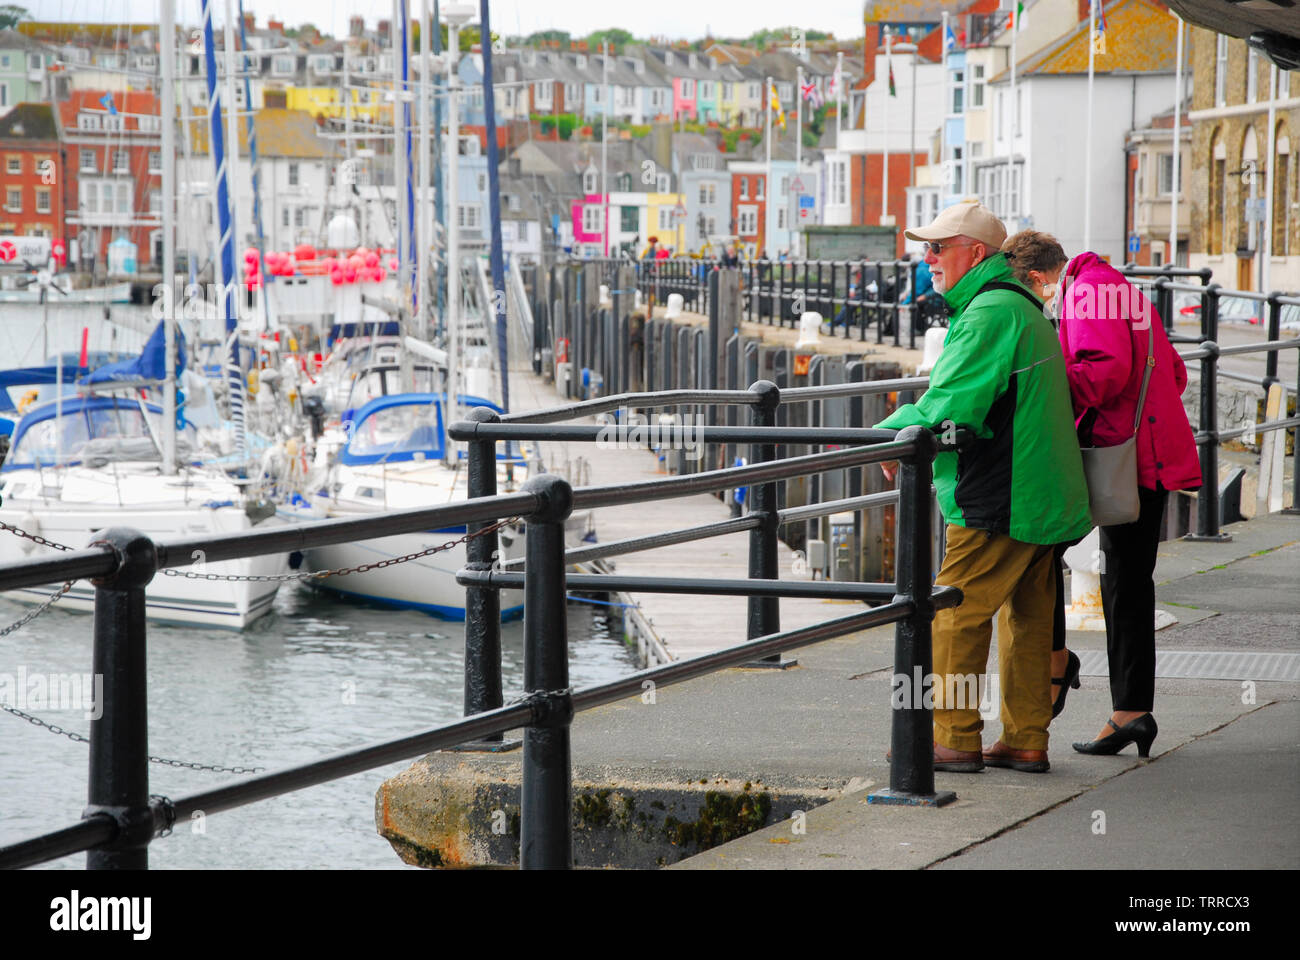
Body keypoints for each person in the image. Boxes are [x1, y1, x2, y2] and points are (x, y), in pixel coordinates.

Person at [876, 200, 1093, 773]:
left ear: (974, 253)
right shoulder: (1020, 305)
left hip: (1003, 494)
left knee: (954, 612)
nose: (928, 261)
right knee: (1024, 617)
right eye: (925, 250)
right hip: (1044, 494)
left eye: (938, 248)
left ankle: (953, 736)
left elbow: (953, 403)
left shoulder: (988, 313)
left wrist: (891, 433)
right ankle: (1025, 738)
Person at [1053, 246, 1201, 758]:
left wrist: (1041, 395)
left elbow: (1103, 371)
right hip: (1148, 455)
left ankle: (1065, 669)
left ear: (1036, 275)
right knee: (1129, 580)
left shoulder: (1088, 292)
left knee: (1044, 551)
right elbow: (1176, 373)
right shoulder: (1122, 288)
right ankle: (1132, 711)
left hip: (1125, 459)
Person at [1000, 231, 1078, 720]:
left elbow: (1090, 373)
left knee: (1038, 570)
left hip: (1065, 459)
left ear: (1035, 278)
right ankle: (1046, 681)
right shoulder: (1063, 304)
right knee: (1043, 571)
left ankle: (1052, 670)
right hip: (1067, 456)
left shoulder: (1076, 302)